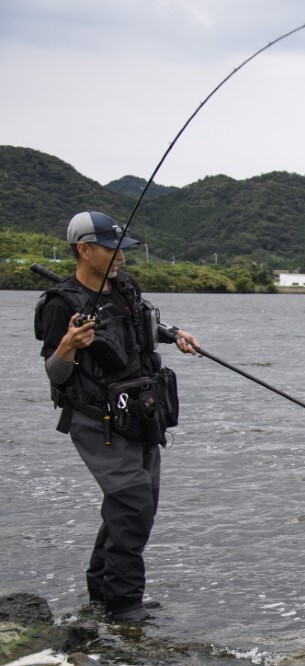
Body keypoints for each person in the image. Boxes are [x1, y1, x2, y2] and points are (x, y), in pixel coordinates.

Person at [36, 210, 201, 623]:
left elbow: (143, 324)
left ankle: (102, 593)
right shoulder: (62, 304)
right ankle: (125, 604)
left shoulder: (125, 287)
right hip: (97, 420)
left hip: (143, 413)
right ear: (84, 249)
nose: (120, 256)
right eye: (111, 248)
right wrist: (68, 345)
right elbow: (54, 373)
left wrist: (174, 334)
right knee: (132, 504)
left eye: (121, 247)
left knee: (135, 502)